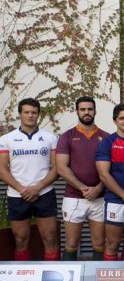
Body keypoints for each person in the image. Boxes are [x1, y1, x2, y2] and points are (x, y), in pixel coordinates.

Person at [0, 98, 59, 261]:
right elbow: (2, 169)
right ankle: (22, 276)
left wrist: (37, 187)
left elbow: (56, 169)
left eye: (34, 112)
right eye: (26, 112)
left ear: (38, 114)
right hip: (17, 195)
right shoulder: (6, 139)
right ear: (20, 114)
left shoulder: (50, 138)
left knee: (50, 238)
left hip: (44, 193)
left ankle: (52, 275)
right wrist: (22, 189)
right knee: (20, 240)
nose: (30, 115)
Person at [56, 96, 109, 260]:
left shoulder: (106, 137)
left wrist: (98, 188)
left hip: (100, 197)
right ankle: (68, 276)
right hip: (74, 197)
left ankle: (97, 276)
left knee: (99, 243)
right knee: (71, 243)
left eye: (90, 109)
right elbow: (61, 167)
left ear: (95, 111)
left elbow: (111, 169)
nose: (87, 112)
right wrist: (83, 188)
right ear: (77, 111)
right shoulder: (67, 136)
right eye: (83, 109)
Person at [95, 103, 124, 261]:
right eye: (122, 118)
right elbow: (104, 175)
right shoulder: (107, 143)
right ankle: (110, 277)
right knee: (112, 244)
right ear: (115, 121)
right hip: (115, 201)